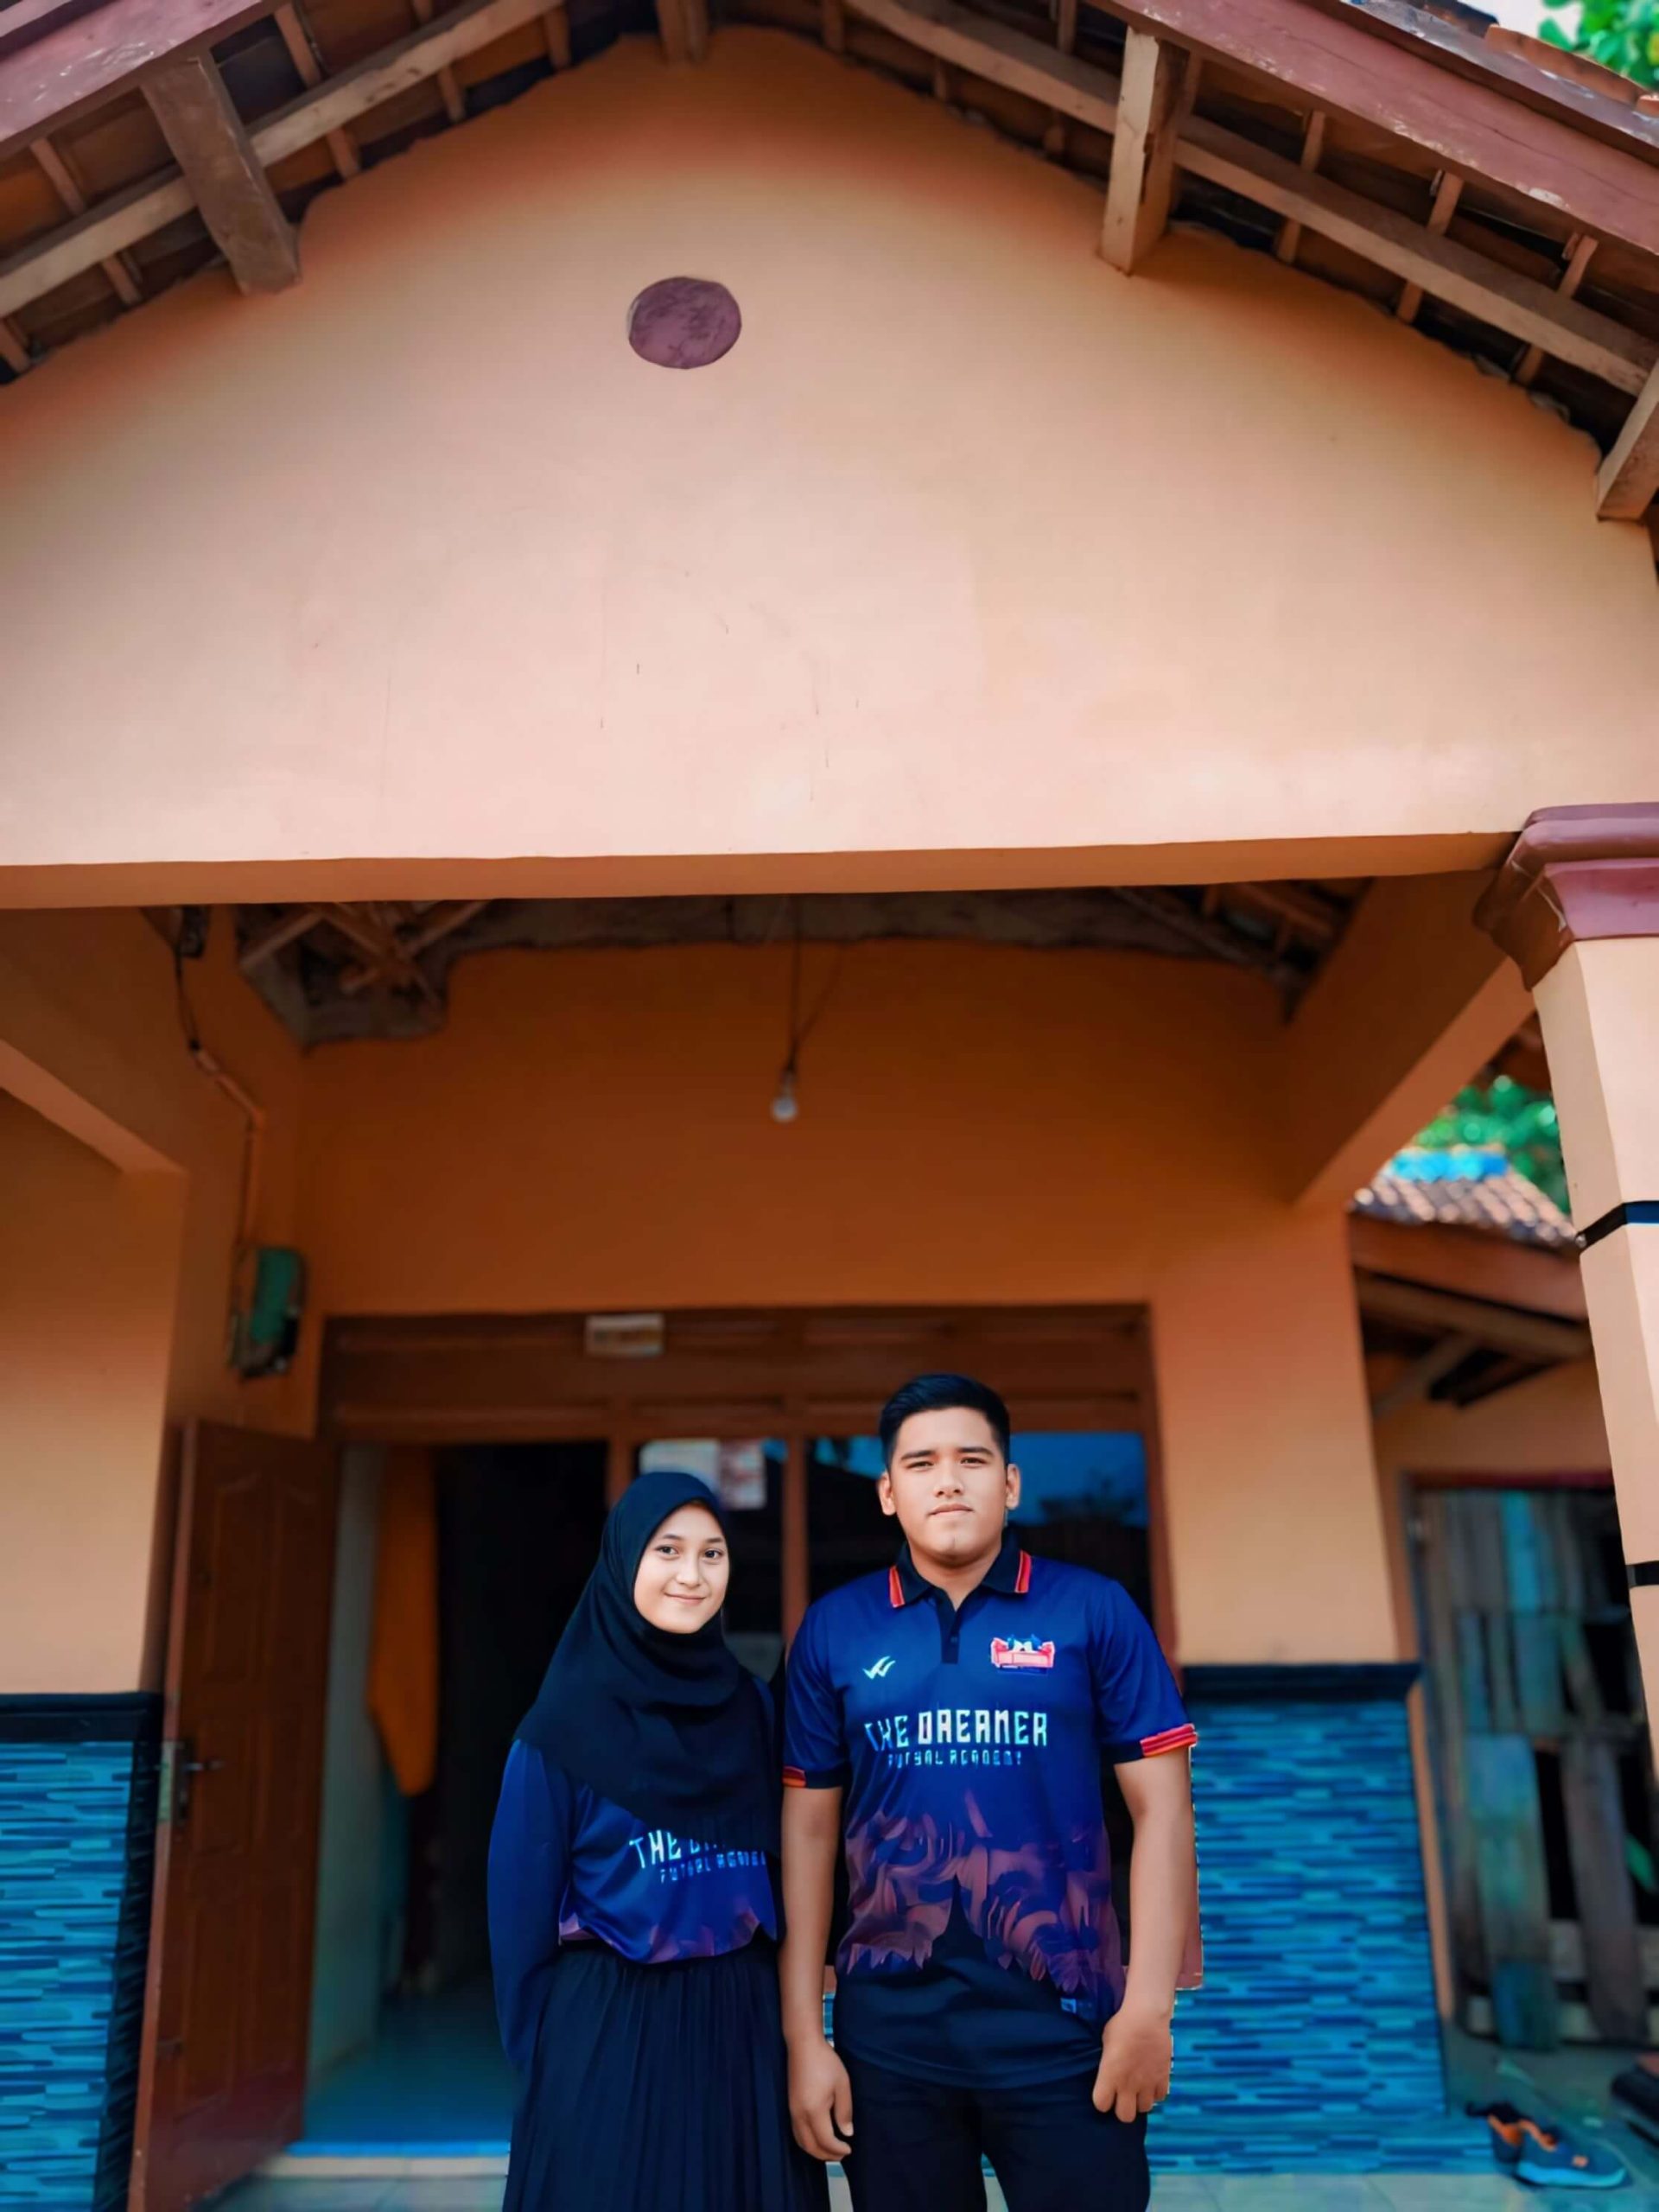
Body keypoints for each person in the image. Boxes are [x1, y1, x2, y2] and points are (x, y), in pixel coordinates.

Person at [780, 1373, 1198, 2212]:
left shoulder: (1094, 1611)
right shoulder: (834, 1629)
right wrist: (803, 2037)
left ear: (1009, 1484)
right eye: (921, 1463)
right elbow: (808, 1833)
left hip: (1068, 2032)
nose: (948, 1481)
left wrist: (1148, 2009)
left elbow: (1164, 1810)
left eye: (971, 1460)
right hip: (889, 2044)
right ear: (888, 1493)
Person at [489, 1467, 828, 2212]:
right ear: (622, 1561)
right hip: (612, 2026)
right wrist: (554, 2068)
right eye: (667, 1550)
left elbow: (794, 1863)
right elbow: (518, 1926)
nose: (691, 1575)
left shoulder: (753, 1711)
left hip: (742, 2025)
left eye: (713, 1554)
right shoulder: (560, 1730)